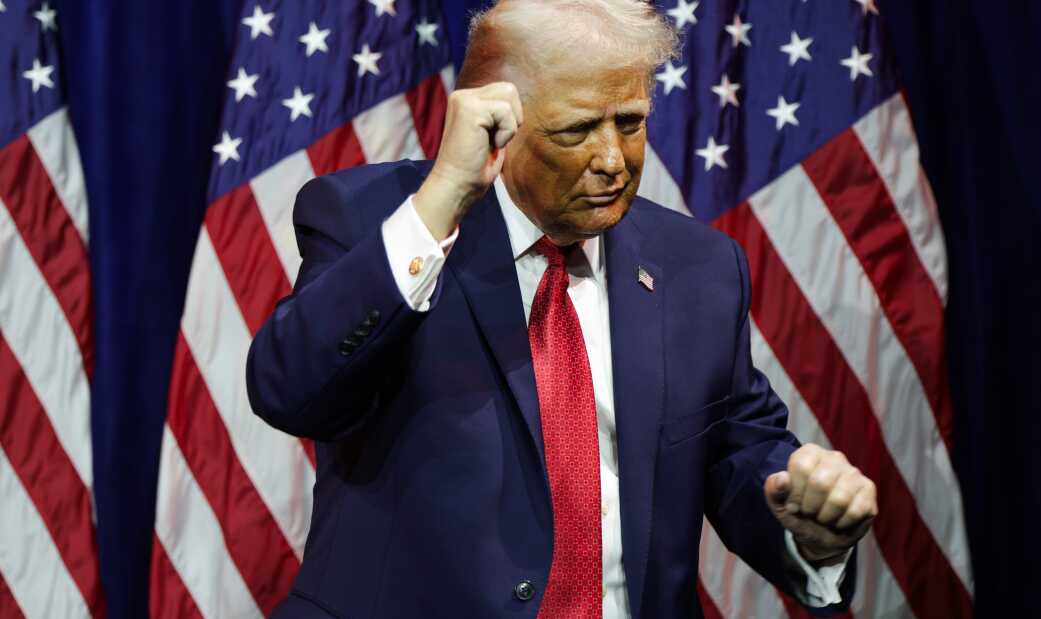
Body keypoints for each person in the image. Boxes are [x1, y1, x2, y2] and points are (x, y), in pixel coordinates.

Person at [246, 1, 878, 616]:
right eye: (576, 130)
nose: (613, 160)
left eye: (629, 122)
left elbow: (742, 455)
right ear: (494, 122)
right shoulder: (380, 223)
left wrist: (813, 531)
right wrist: (442, 199)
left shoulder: (699, 268)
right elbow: (292, 391)